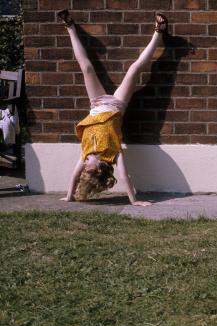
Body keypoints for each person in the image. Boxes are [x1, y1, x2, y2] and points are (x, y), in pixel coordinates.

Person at [57, 9, 168, 206]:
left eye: (83, 167)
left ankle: (70, 27)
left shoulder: (85, 153)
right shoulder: (114, 153)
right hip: (117, 105)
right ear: (99, 168)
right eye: (88, 168)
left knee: (87, 68)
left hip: (96, 103)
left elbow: (74, 178)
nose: (84, 165)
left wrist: (69, 196)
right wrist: (134, 201)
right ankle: (158, 33)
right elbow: (125, 177)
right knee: (134, 68)